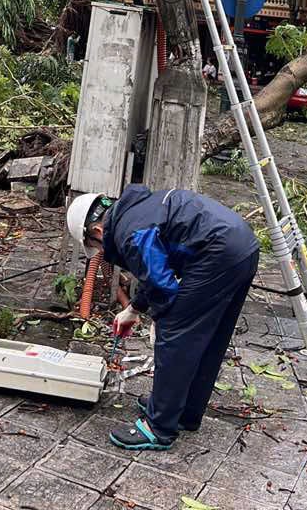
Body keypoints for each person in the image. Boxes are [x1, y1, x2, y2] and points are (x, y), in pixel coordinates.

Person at [66, 185, 259, 451]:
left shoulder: (129, 233)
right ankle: (185, 411)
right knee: (210, 338)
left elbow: (162, 286)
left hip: (217, 253)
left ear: (97, 232)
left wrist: (161, 321)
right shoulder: (135, 212)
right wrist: (134, 309)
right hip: (242, 246)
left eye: (94, 246)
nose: (100, 250)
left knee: (176, 338)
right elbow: (156, 269)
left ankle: (159, 427)